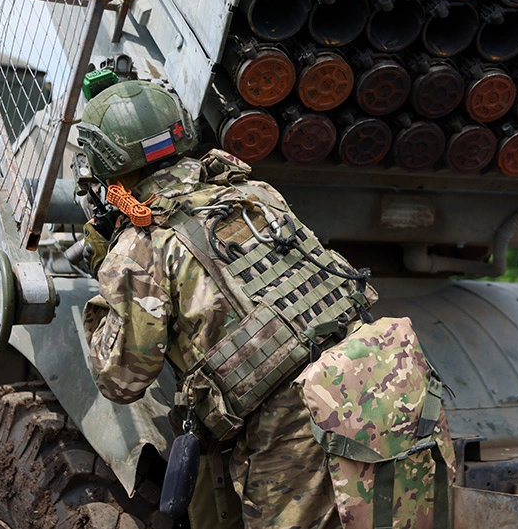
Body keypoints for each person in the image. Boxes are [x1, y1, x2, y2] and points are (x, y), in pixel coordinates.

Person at [76, 79, 453, 529]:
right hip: (374, 382)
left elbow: (120, 381)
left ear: (108, 169)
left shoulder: (139, 249)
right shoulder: (257, 195)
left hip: (292, 425)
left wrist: (108, 280)